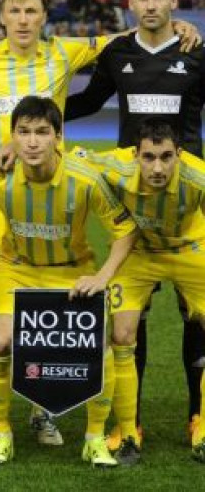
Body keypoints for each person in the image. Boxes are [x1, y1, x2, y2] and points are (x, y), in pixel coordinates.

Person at [0, 0, 199, 447]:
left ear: (45, 18)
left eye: (32, 12)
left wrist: (175, 26)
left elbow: (125, 38)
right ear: (1, 16)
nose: (23, 20)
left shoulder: (63, 52)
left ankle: (43, 409)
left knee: (49, 308)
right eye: (15, 11)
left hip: (50, 192)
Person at [65, 0, 205, 449]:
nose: (150, 5)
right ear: (130, 3)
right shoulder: (118, 52)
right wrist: (36, 116)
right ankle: (132, 423)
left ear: (173, 1)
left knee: (196, 317)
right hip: (134, 201)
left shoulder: (196, 52)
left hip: (188, 201)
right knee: (130, 323)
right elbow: (88, 101)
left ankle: (197, 418)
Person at [0, 96, 137, 466]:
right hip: (17, 268)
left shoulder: (84, 179)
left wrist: (102, 277)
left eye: (42, 132)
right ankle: (2, 434)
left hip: (72, 272)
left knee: (98, 348)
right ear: (12, 137)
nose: (32, 141)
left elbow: (125, 230)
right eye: (23, 132)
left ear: (58, 137)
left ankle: (94, 438)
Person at [73, 119, 205, 464]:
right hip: (140, 252)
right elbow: (68, 156)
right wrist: (9, 149)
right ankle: (128, 431)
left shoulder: (199, 178)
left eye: (166, 157)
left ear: (179, 154)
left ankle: (203, 428)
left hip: (191, 250)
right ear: (135, 155)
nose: (157, 168)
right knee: (121, 334)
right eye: (149, 157)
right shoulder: (115, 165)